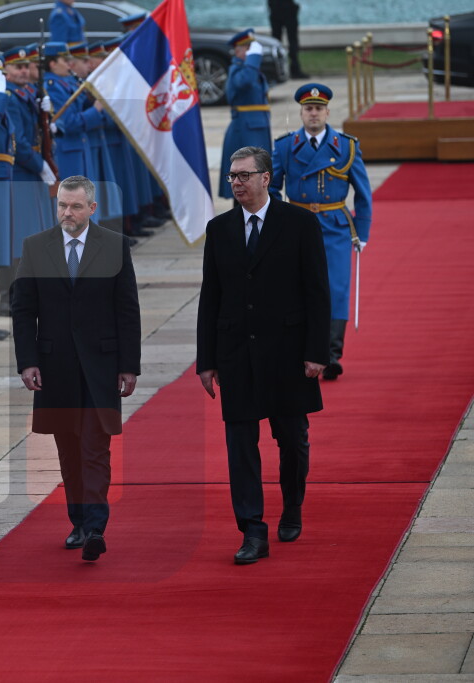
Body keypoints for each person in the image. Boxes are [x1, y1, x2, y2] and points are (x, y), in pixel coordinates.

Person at [196, 146, 330, 565]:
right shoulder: (219, 229)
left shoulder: (300, 223)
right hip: (237, 353)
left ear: (266, 178)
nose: (236, 182)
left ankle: (292, 505)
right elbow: (211, 296)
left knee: (292, 439)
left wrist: (317, 351)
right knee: (240, 445)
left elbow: (317, 292)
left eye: (244, 175)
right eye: (232, 176)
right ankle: (252, 530)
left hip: (288, 354)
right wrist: (206, 360)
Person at [11, 175, 140, 562]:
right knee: (68, 449)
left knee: (95, 446)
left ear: (92, 208)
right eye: (63, 206)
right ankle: (80, 523)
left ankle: (96, 526)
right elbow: (23, 310)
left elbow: (127, 309)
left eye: (76, 206)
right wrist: (27, 361)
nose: (67, 213)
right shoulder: (36, 247)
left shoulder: (114, 246)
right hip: (55, 367)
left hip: (102, 366)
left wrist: (129, 366)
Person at [270, 83, 371, 380]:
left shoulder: (346, 146)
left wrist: (362, 232)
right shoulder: (285, 146)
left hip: (335, 225)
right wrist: (278, 221)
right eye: (308, 108)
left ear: (327, 112)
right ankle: (303, 350)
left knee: (335, 288)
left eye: (318, 108)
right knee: (298, 287)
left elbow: (363, 193)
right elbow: (271, 188)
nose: (313, 113)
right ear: (301, 113)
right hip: (298, 224)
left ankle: (331, 354)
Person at [219, 30, 271, 201]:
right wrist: (253, 58)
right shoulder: (238, 70)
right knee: (244, 179)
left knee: (259, 179)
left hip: (258, 127)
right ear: (238, 51)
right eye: (247, 48)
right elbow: (245, 81)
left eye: (252, 49)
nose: (251, 52)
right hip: (245, 130)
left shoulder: (249, 69)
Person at [269, 0, 308, 79]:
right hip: (287, 9)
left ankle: (276, 70)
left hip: (276, 8)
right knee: (291, 41)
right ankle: (294, 70)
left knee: (276, 42)